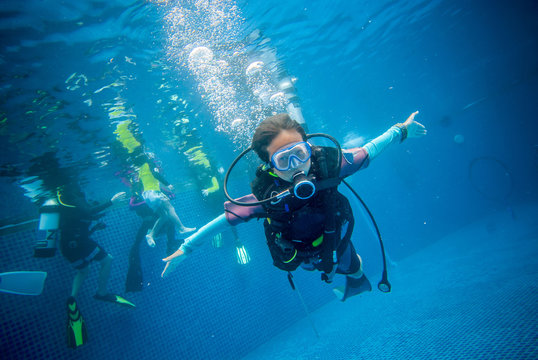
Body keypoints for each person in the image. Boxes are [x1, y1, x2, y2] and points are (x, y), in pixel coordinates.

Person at [162, 111, 426, 301]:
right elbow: (225, 220)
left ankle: (353, 280)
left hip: (335, 239)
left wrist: (401, 130)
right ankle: (337, 279)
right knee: (316, 268)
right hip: (299, 253)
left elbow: (368, 151)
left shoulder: (328, 165)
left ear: (309, 148)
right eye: (283, 160)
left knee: (353, 267)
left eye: (299, 154)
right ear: (270, 166)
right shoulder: (267, 195)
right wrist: (186, 248)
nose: (296, 166)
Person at [133, 152, 196, 247]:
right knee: (170, 208)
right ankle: (181, 228)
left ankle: (151, 235)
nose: (152, 156)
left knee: (164, 215)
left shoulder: (140, 170)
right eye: (150, 155)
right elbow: (155, 175)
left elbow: (141, 185)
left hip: (147, 195)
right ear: (147, 157)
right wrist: (167, 184)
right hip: (154, 192)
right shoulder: (149, 164)